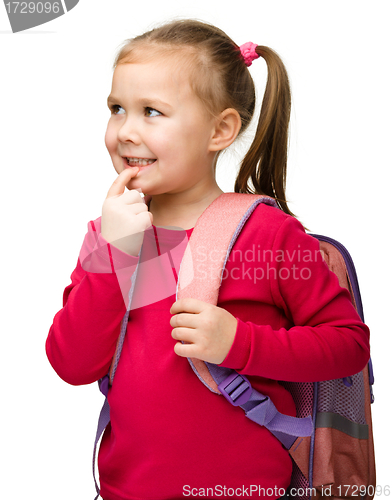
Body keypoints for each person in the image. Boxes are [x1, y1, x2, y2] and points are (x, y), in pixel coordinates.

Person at [45, 19, 370, 500]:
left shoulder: (268, 235)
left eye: (151, 112)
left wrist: (239, 343)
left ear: (220, 130)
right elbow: (72, 363)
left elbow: (347, 347)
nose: (125, 131)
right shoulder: (110, 234)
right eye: (117, 109)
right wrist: (114, 254)